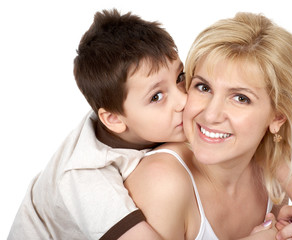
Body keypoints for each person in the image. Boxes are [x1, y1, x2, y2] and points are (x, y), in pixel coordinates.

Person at [124, 12, 292, 239]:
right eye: (203, 87)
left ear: (278, 118)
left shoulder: (271, 179)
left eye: (241, 98)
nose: (211, 115)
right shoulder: (163, 181)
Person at [8, 9, 186, 240]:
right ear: (114, 119)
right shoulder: (85, 178)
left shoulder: (131, 112)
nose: (183, 100)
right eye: (156, 97)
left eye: (180, 77)